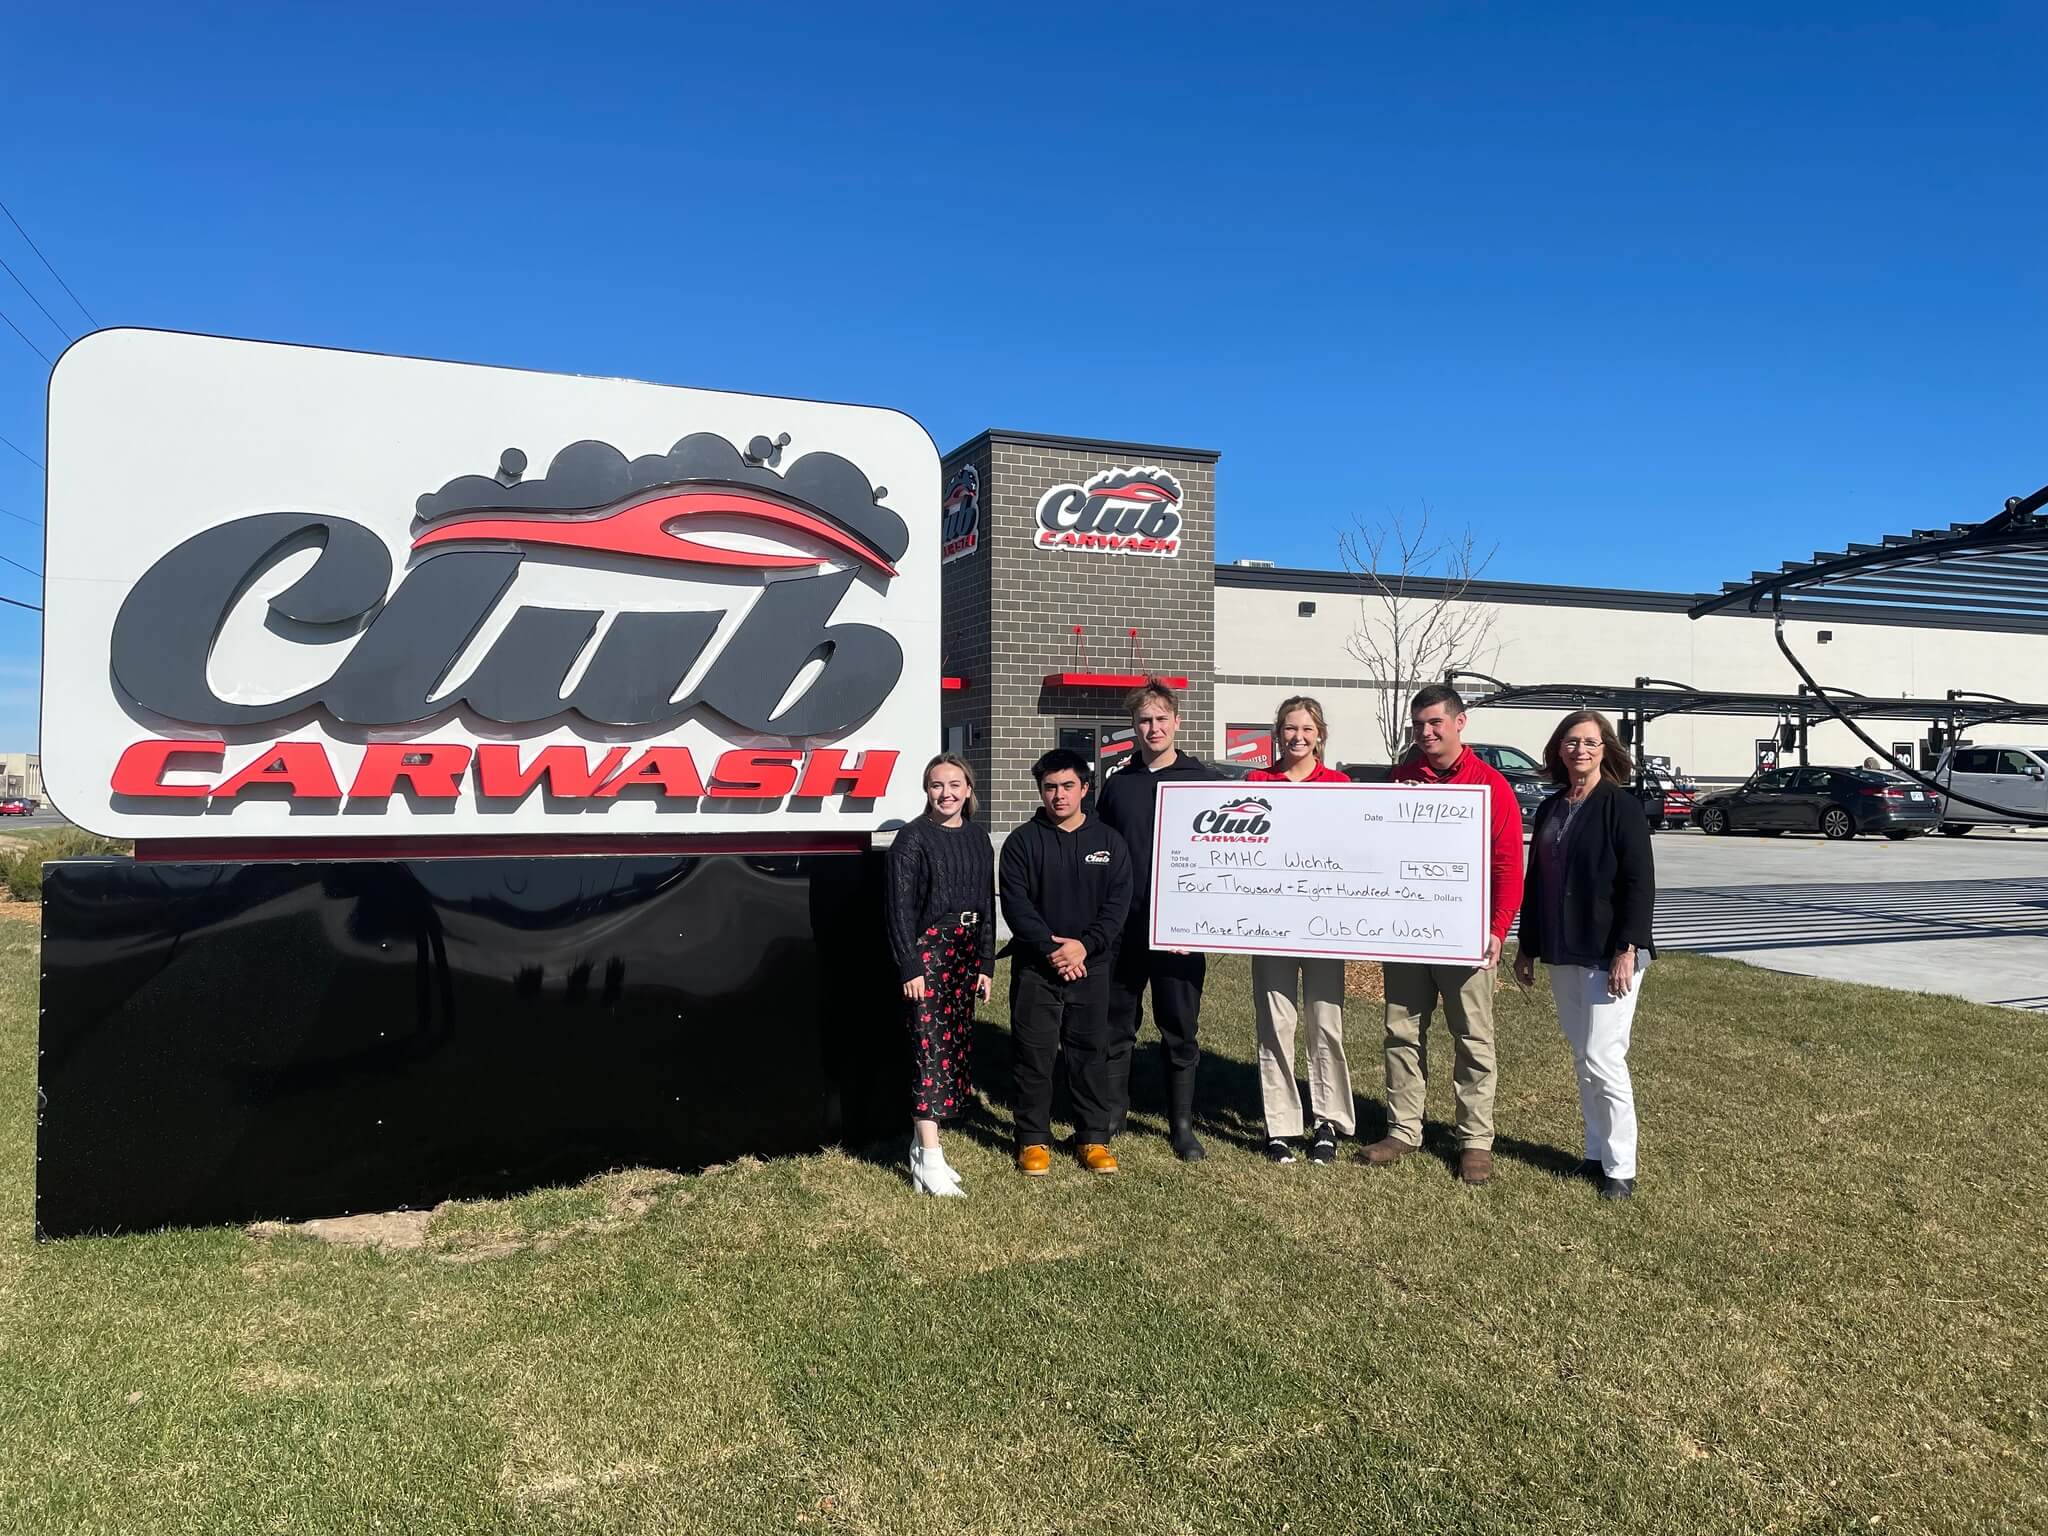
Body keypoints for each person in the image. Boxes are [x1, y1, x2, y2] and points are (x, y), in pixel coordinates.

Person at [1364, 684, 1526, 1185]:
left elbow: (1507, 866)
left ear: (1460, 723)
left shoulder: (1490, 785)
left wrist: (1498, 930)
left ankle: (1475, 1139)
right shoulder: (1402, 779)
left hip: (1465, 935)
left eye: (1435, 722)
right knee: (1401, 1031)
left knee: (1473, 1038)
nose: (1426, 732)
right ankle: (1404, 1129)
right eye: (1418, 725)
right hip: (1408, 933)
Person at [1513, 710, 1656, 1201]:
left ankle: (1621, 1167)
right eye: (1571, 742)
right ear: (1558, 749)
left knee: (1604, 1056)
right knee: (1582, 1057)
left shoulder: (1621, 806)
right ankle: (1594, 1153)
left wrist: (1627, 948)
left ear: (1605, 749)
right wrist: (1527, 945)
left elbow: (1639, 883)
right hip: (1564, 948)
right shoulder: (1553, 806)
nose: (1580, 751)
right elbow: (1538, 884)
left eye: (1590, 743)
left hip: (1609, 952)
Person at [999, 748, 1134, 1176]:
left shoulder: (1110, 842)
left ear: (1085, 788)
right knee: (1033, 1056)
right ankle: (1032, 1139)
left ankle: (1093, 1138)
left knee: (1090, 1054)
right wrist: (1053, 950)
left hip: (1092, 967)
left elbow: (1117, 906)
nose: (1059, 795)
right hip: (1037, 967)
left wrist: (1084, 947)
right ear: (1041, 790)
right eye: (1051, 787)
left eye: (1068, 786)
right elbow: (1017, 906)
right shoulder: (1022, 842)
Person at [1096, 677, 1214, 1161]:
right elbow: (1102, 851)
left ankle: (1181, 1124)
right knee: (1117, 1023)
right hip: (1125, 927)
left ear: (1176, 722)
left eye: (1161, 718)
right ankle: (1114, 1111)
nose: (1153, 727)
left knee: (1179, 1028)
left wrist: (1203, 922)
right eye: (1144, 720)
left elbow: (1221, 862)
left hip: (1180, 931)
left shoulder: (1201, 781)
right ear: (1134, 726)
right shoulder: (1118, 785)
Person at [1245, 696, 1355, 1165]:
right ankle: (1280, 1124)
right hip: (1271, 925)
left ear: (1320, 735)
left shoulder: (1341, 785)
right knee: (1276, 1023)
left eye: (1307, 730)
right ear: (1278, 733)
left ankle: (1326, 1121)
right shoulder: (1256, 784)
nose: (1298, 737)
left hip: (1324, 925)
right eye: (1290, 729)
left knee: (1325, 1024)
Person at [886, 753, 996, 1197]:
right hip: (928, 952)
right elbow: (897, 910)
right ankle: (929, 1161)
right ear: (926, 790)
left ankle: (920, 1149)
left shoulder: (979, 838)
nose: (946, 793)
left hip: (966, 953)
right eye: (937, 785)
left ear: (969, 789)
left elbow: (987, 904)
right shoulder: (911, 840)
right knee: (929, 1051)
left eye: (955, 784)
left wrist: (985, 964)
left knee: (953, 1047)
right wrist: (910, 965)